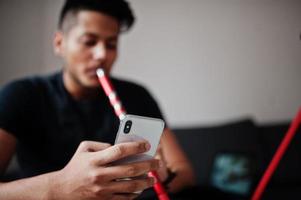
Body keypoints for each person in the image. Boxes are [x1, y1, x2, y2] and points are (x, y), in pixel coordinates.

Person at [0, 0, 195, 199]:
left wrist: (162, 178)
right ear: (59, 44)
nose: (102, 54)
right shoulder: (21, 95)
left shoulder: (137, 96)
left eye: (111, 44)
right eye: (89, 42)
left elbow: (184, 171)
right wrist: (60, 187)